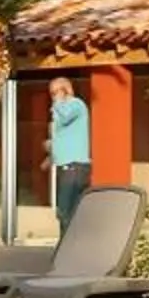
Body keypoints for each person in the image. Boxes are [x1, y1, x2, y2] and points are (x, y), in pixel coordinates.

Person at [48, 75, 91, 229]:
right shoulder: (60, 110)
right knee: (67, 212)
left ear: (65, 90)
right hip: (65, 166)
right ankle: (70, 243)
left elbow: (66, 118)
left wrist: (58, 102)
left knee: (65, 212)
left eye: (55, 92)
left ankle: (69, 243)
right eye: (51, 94)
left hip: (74, 166)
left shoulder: (76, 104)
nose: (53, 97)